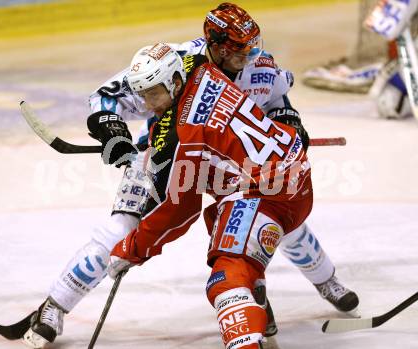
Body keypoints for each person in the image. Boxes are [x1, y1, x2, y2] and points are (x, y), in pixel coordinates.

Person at [22, 3, 359, 348]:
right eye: (241, 49)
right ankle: (55, 306)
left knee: (280, 223)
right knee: (120, 229)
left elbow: (278, 101)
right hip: (170, 158)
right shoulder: (174, 63)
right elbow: (109, 97)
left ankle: (322, 282)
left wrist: (290, 121)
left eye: (252, 46)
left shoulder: (258, 63)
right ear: (216, 45)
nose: (251, 55)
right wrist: (115, 135)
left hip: (230, 167)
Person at [108, 41, 314, 349]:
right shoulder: (198, 66)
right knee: (224, 228)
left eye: (154, 93)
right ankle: (257, 301)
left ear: (175, 82)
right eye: (143, 95)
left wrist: (133, 247)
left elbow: (180, 210)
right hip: (291, 172)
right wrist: (158, 147)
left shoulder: (182, 136)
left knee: (225, 279)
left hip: (268, 194)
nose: (149, 105)